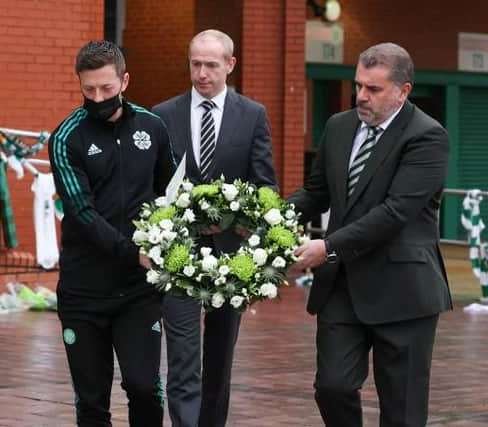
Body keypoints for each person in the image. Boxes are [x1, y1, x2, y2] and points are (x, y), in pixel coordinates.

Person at [288, 42, 451, 427]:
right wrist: (265, 218)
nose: (361, 96)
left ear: (403, 90)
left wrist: (326, 247)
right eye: (358, 85)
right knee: (333, 387)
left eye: (373, 89)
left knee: (403, 410)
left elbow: (395, 212)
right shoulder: (339, 126)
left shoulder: (428, 137)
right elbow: (316, 192)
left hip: (404, 290)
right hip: (342, 287)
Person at [152, 29, 278, 427]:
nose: (202, 73)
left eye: (210, 64)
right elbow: (153, 185)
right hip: (177, 253)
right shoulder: (163, 114)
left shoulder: (252, 114)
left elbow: (265, 183)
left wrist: (252, 225)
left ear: (229, 64)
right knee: (183, 352)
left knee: (221, 355)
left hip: (232, 255)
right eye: (195, 64)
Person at [49, 40, 175, 427]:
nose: (98, 97)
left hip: (138, 292)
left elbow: (170, 191)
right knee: (91, 401)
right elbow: (82, 214)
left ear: (125, 80)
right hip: (83, 293)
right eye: (89, 90)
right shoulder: (66, 138)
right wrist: (132, 251)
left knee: (143, 386)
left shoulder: (152, 127)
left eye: (106, 88)